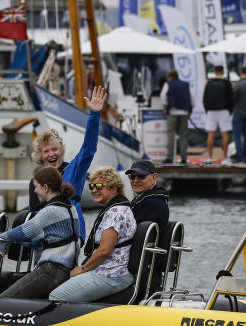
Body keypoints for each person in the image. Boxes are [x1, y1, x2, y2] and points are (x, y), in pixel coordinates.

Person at [50, 166, 137, 302]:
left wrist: (83, 269)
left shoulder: (116, 213)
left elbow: (104, 251)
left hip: (111, 274)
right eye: (91, 186)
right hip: (109, 271)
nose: (94, 190)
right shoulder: (119, 207)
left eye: (98, 186)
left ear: (113, 188)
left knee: (56, 296)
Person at [28, 86, 106, 234]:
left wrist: (95, 114)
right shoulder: (35, 182)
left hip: (71, 234)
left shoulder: (73, 170)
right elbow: (33, 212)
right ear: (40, 156)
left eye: (54, 149)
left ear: (61, 151)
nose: (51, 154)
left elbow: (88, 148)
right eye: (46, 151)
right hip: (44, 236)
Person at [0, 166, 80, 299]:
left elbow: (23, 231)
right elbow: (42, 242)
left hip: (51, 271)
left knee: (5, 299)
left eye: (36, 187)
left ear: (45, 187)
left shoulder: (50, 211)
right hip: (66, 270)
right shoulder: (70, 208)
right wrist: (15, 243)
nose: (34, 191)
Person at [127, 159, 170, 289]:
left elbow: (127, 236)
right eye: (132, 176)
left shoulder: (152, 203)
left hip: (142, 274)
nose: (135, 180)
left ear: (154, 177)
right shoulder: (147, 199)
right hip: (145, 270)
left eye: (141, 176)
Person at [202, 65, 233, 162]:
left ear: (214, 72)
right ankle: (225, 158)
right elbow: (230, 98)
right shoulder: (226, 83)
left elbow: (204, 98)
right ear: (223, 72)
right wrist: (229, 110)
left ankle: (210, 157)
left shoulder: (209, 83)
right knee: (225, 134)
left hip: (211, 111)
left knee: (210, 134)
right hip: (224, 111)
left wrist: (207, 110)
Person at [162, 69, 191, 164]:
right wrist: (190, 110)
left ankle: (169, 158)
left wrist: (165, 106)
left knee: (171, 134)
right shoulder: (186, 84)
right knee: (183, 135)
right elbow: (191, 98)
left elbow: (163, 95)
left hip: (172, 112)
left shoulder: (168, 84)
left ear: (170, 77)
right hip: (184, 113)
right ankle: (184, 158)